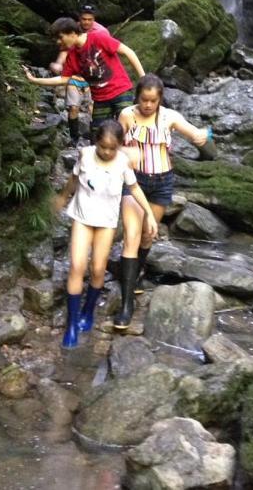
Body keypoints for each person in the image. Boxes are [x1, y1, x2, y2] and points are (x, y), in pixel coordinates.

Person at [113, 73, 217, 330]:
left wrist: (204, 136)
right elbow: (113, 144)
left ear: (160, 100)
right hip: (133, 181)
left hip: (161, 183)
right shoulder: (127, 115)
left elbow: (194, 133)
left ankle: (136, 273)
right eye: (144, 100)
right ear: (137, 97)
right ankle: (127, 305)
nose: (148, 105)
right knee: (132, 237)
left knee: (148, 235)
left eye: (153, 101)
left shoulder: (169, 117)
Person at [56, 120, 158, 348]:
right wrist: (63, 197)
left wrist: (149, 214)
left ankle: (88, 311)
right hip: (82, 218)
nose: (107, 152)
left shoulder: (123, 162)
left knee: (98, 269)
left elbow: (134, 188)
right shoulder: (85, 155)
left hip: (106, 223)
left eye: (112, 148)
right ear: (96, 142)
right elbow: (73, 180)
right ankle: (72, 324)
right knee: (77, 266)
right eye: (103, 147)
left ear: (120, 146)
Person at [24, 17, 145, 133]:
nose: (58, 42)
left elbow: (128, 52)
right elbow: (64, 79)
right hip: (100, 99)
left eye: (60, 37)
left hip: (121, 91)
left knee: (129, 129)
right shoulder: (72, 55)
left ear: (72, 33)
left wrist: (144, 79)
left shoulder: (98, 38)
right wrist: (34, 80)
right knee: (99, 134)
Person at [49, 5, 110, 145]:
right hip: (75, 75)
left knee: (93, 108)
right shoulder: (72, 30)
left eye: (90, 20)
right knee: (73, 107)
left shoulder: (101, 32)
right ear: (79, 18)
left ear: (94, 20)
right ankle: (74, 137)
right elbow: (65, 49)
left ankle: (97, 139)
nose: (86, 23)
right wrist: (59, 63)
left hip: (94, 78)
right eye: (84, 19)